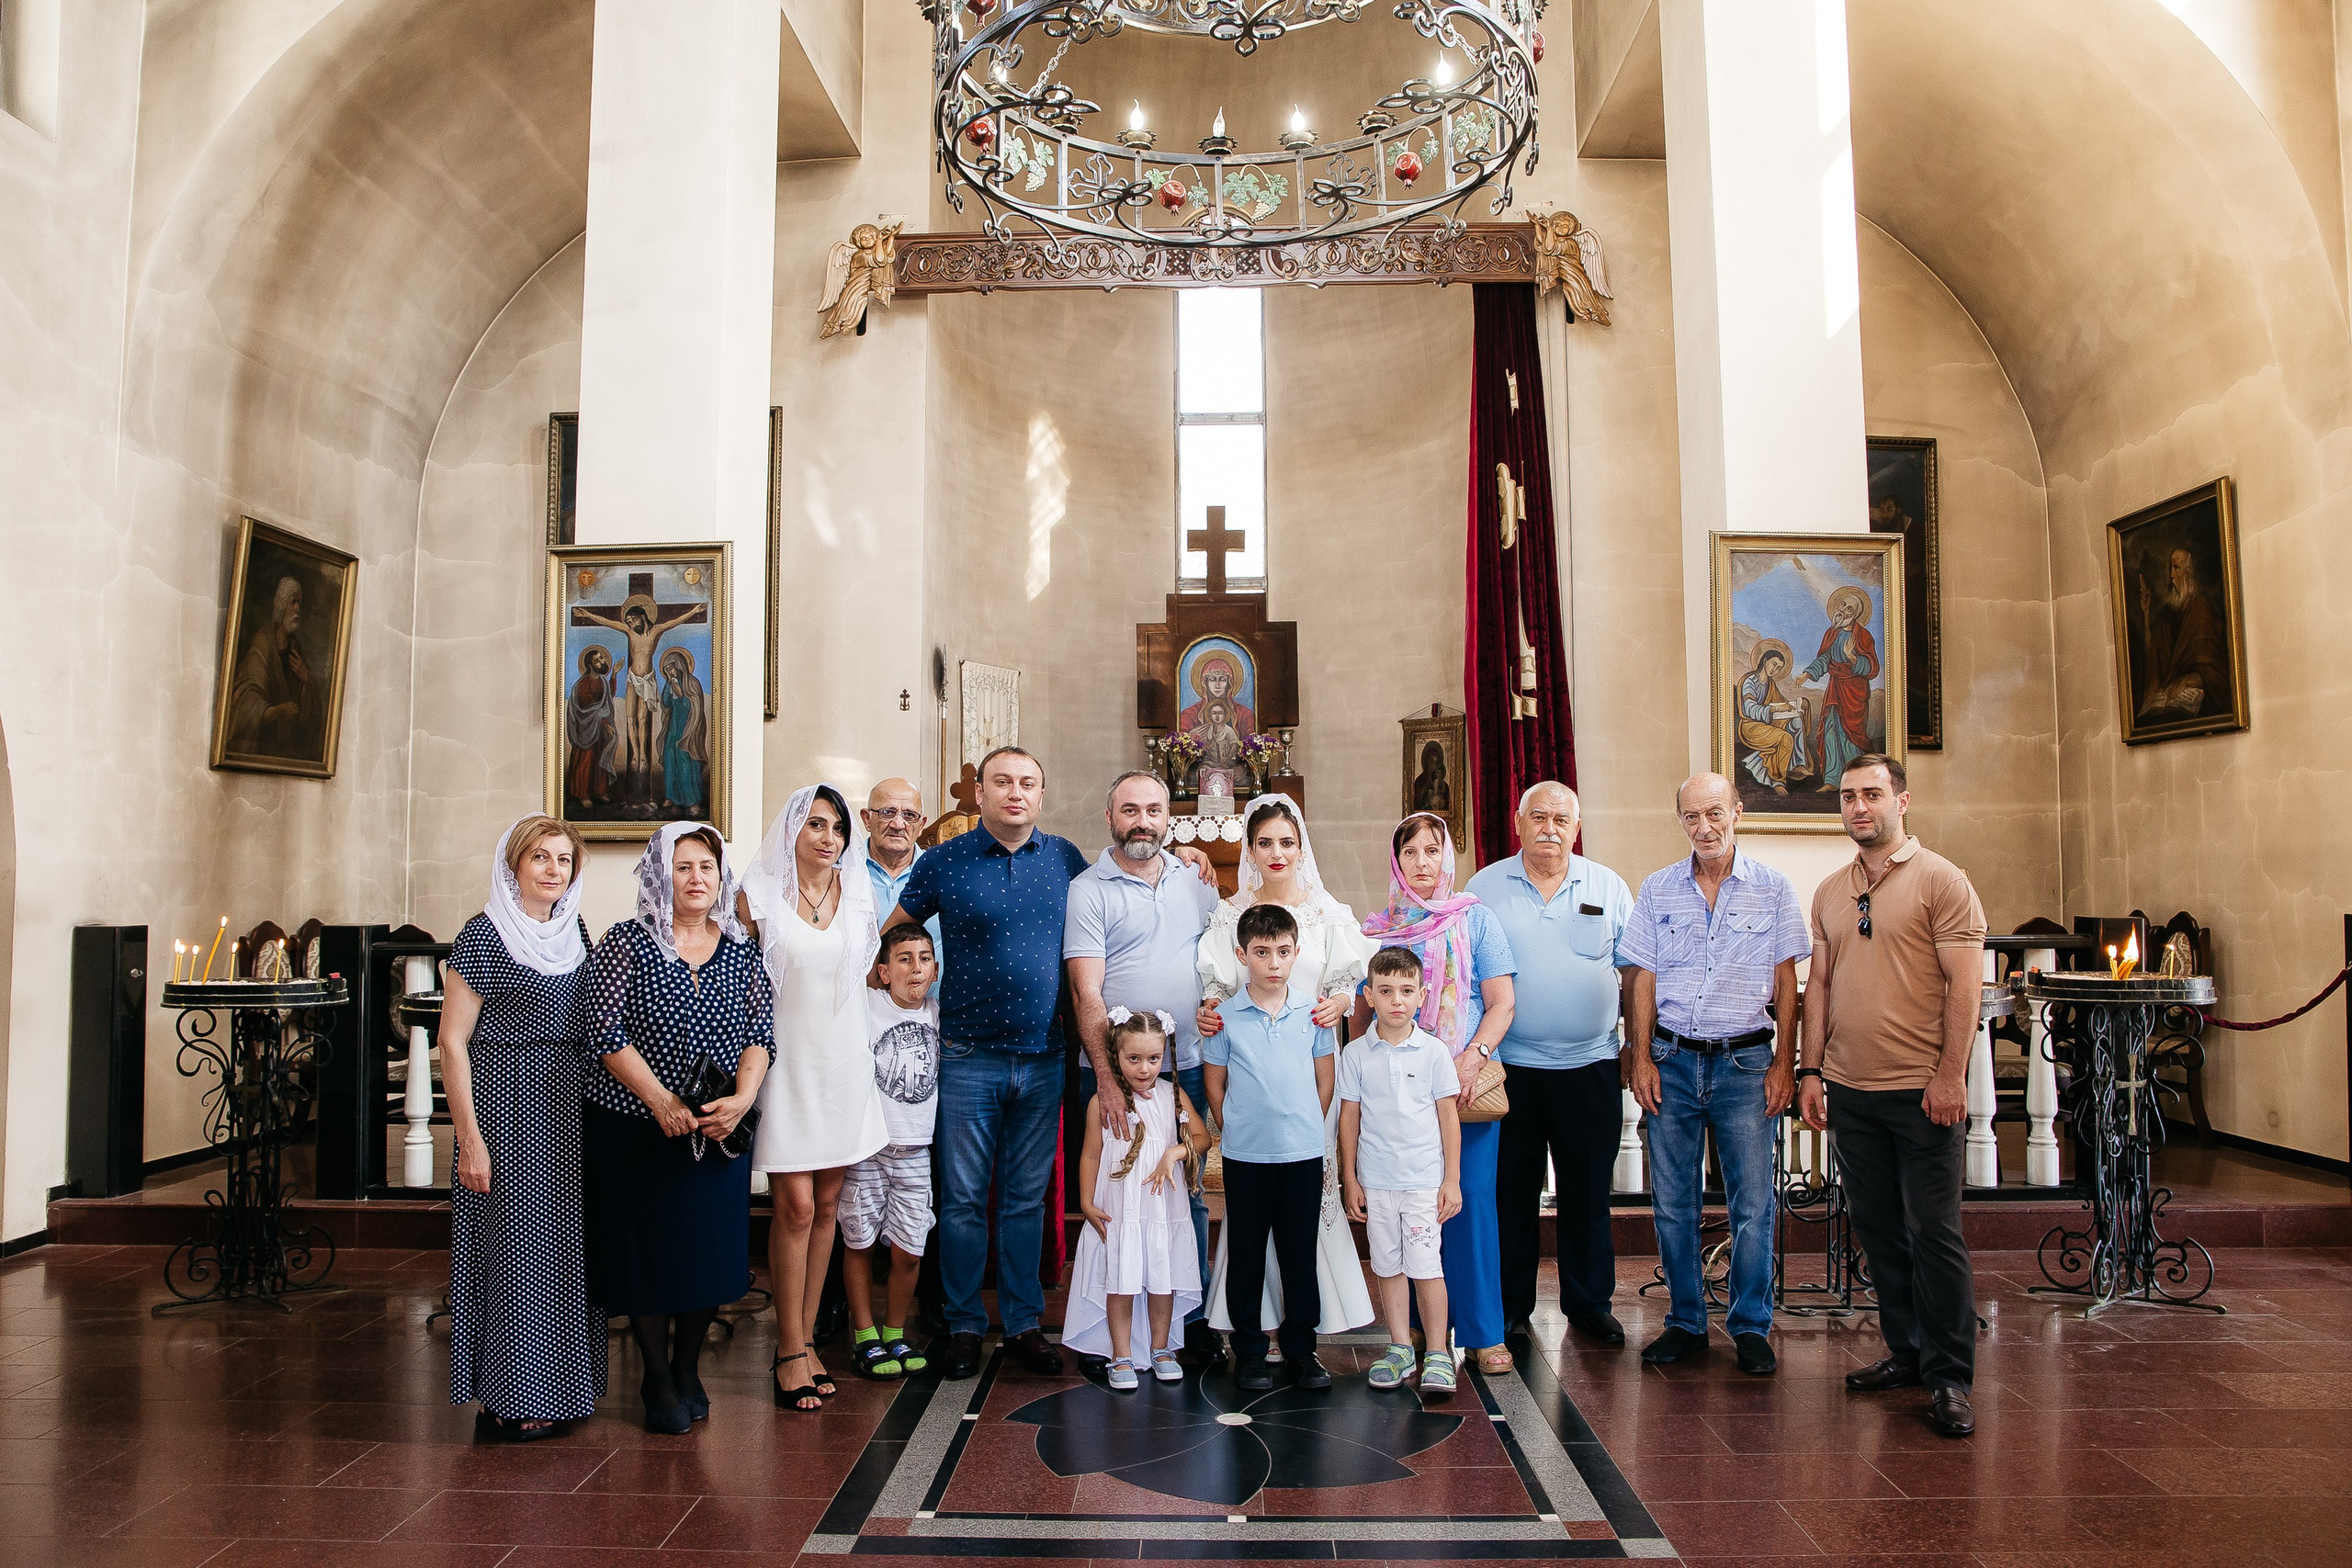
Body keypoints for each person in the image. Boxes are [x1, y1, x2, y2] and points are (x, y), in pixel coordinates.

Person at [878, 746, 1214, 1380]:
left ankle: (1025, 1323)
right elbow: (893, 935)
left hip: (1042, 1058)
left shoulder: (1064, 860)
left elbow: (1134, 870)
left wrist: (1188, 854)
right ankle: (963, 1324)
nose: (1014, 792)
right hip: (966, 1054)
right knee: (963, 1201)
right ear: (980, 792)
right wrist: (892, 987)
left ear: (1041, 794)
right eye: (1002, 781)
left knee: (1026, 1200)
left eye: (1027, 782)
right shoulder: (943, 861)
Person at [1797, 754, 1986, 1438]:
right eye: (1848, 796)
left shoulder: (1943, 880)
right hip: (1851, 1087)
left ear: (1902, 801)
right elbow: (1818, 986)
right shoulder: (1830, 890)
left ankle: (1949, 1377)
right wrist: (1811, 1071)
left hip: (1921, 1091)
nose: (1858, 807)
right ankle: (1906, 1352)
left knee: (1933, 1234)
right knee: (1878, 1232)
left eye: (1872, 794)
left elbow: (1966, 987)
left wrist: (1949, 1074)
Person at [582, 824, 771, 1432]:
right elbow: (605, 1032)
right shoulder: (626, 942)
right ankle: (655, 1377)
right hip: (636, 1126)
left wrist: (741, 1098)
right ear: (661, 875)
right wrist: (660, 1099)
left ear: (721, 877)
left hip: (717, 1128)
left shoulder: (741, 947)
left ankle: (688, 1365)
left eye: (706, 868)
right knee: (646, 1255)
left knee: (706, 1253)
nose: (696, 878)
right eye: (683, 867)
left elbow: (760, 1035)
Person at [1619, 774, 1809, 1375]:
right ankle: (1686, 1322)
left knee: (1753, 1202)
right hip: (1672, 1064)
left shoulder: (1774, 889)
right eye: (1692, 816)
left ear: (1738, 812)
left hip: (1745, 1063)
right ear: (1679, 820)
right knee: (1673, 1202)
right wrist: (1641, 1054)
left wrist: (1785, 1063)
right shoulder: (1656, 889)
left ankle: (1751, 1326)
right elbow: (1641, 978)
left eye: (1714, 813)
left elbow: (1787, 983)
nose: (1704, 826)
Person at [439, 814, 605, 1441]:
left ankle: (565, 1386)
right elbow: (452, 1043)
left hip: (568, 1106)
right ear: (515, 864)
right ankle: (512, 1393)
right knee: (515, 1251)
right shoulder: (482, 936)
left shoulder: (577, 930)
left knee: (565, 1249)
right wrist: (471, 1139)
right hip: (506, 1106)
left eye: (563, 860)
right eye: (540, 858)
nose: (553, 870)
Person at [1195, 795, 1378, 1357]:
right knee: (1251, 1228)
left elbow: (1352, 983)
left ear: (1303, 847)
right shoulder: (1230, 916)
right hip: (1252, 1090)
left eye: (1287, 842)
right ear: (1250, 849)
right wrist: (1210, 1004)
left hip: (1309, 1087)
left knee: (1303, 1224)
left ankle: (1305, 1332)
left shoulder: (1328, 915)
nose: (1277, 853)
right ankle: (1254, 1330)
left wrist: (1343, 1000)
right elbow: (1220, 993)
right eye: (1265, 843)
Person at [1464, 784, 1632, 1350]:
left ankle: (1589, 1305)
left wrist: (1635, 1045)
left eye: (1562, 818)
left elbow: (1634, 974)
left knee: (1587, 1193)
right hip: (1511, 1069)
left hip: (1591, 1066)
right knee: (1510, 1194)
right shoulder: (1483, 887)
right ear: (1518, 822)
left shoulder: (1606, 885)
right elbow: (1466, 978)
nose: (1550, 828)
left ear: (1576, 826)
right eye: (1539, 816)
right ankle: (1512, 1308)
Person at [1065, 771, 1223, 1364]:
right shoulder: (1089, 888)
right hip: (1114, 1072)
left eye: (1154, 810)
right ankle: (1107, 1333)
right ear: (1110, 817)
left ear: (1169, 818)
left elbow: (1220, 957)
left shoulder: (1194, 879)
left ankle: (1191, 1317)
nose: (1143, 821)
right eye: (1130, 809)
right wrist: (1107, 1078)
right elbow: (1087, 990)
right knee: (1114, 1196)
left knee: (1188, 1194)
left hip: (1183, 1067)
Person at [742, 784, 890, 1411]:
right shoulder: (758, 899)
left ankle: (805, 1343)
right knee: (795, 1205)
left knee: (827, 1203)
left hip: (844, 1063)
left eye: (836, 827)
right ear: (792, 832)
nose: (828, 837)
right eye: (815, 825)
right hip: (787, 1065)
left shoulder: (858, 898)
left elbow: (860, 982)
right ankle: (787, 1345)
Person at [1360, 812, 1516, 1375]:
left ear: (1447, 856)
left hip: (1464, 1090)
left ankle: (1483, 1333)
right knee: (1408, 1217)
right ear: (1396, 861)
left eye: (1433, 851)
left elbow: (1501, 1001)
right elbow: (1361, 1016)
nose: (1423, 864)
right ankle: (1425, 1342)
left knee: (1467, 1206)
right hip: (1396, 1101)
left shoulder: (1475, 920)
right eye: (1411, 853)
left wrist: (1471, 1060)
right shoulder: (1378, 930)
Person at [1203, 903, 1337, 1391]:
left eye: (1283, 952)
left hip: (1301, 1155)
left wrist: (1300, 1128)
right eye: (1262, 953)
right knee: (1246, 1254)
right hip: (1246, 1157)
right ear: (1243, 955)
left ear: (1296, 952)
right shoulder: (1225, 1019)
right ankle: (1251, 1350)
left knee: (1300, 1255)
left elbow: (1326, 1083)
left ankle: (1303, 1351)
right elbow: (1215, 1085)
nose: (1274, 963)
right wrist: (1237, 1128)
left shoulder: (1314, 1014)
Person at [1339, 946, 1463, 1399]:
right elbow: (1348, 1118)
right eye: (1386, 991)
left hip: (1423, 1182)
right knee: (1388, 1265)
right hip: (1377, 1181)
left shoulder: (1433, 1053)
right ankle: (1398, 1347)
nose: (1396, 1000)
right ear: (1368, 996)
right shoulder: (1355, 1054)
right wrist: (1350, 1178)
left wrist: (1450, 1180)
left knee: (1427, 1267)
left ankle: (1437, 1353)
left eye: (1407, 991)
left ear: (1422, 995)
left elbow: (1448, 1116)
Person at [1068, 1009, 1207, 1389]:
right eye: (1134, 1058)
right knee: (1121, 1278)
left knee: (1163, 1276)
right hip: (1121, 1207)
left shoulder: (1172, 1095)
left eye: (1153, 1058)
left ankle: (1162, 1348)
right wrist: (1085, 1201)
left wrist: (1174, 1153)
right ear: (1116, 1056)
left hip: (1162, 1205)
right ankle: (1121, 1354)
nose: (1145, 1068)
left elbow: (1202, 1138)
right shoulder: (1102, 1102)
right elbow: (1090, 1154)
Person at [841, 922, 941, 1380]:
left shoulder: (939, 1014)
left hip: (916, 1150)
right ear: (882, 971)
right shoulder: (866, 1005)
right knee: (859, 1242)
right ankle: (864, 1333)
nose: (915, 968)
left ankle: (895, 1330)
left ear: (935, 969)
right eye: (903, 959)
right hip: (867, 1147)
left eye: (923, 958)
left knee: (910, 1249)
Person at [226, 576, 321, 756]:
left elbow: (310, 714)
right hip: (262, 750)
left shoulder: (295, 648)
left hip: (287, 751)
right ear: (282, 605)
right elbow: (245, 702)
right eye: (293, 602)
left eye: (299, 602)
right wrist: (277, 711)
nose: (297, 609)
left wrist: (307, 678)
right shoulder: (262, 645)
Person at [1803, 585, 1879, 788]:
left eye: (1849, 609)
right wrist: (1807, 673)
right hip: (1835, 688)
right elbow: (1826, 657)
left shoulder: (1863, 636)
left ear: (1855, 615)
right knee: (1830, 730)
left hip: (1854, 691)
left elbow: (1872, 667)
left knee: (1850, 736)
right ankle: (1832, 779)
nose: (1843, 610)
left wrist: (1853, 657)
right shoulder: (1832, 633)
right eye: (1843, 605)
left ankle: (1856, 780)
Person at [1736, 645, 1811, 794]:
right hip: (1751, 726)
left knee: (1795, 721)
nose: (1775, 670)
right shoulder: (1750, 681)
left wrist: (1798, 703)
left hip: (1766, 723)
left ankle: (1797, 764)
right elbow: (1750, 709)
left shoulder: (1771, 684)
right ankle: (1778, 780)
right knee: (1785, 738)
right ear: (1765, 660)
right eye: (1774, 664)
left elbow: (1781, 703)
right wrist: (1776, 709)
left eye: (1779, 668)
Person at [565, 646, 618, 807]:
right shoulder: (583, 684)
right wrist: (604, 722)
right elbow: (589, 709)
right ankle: (583, 794)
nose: (601, 661)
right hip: (586, 730)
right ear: (589, 665)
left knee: (599, 761)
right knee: (586, 761)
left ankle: (599, 791)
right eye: (597, 659)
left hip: (599, 730)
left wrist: (614, 674)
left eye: (601, 658)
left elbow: (609, 696)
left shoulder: (602, 680)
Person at [659, 648, 708, 812]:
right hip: (673, 727)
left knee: (685, 761)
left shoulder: (692, 683)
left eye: (671, 668)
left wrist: (681, 695)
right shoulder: (670, 684)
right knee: (670, 759)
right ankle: (672, 796)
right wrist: (670, 688)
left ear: (680, 666)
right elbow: (666, 703)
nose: (670, 672)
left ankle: (691, 799)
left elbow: (694, 706)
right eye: (667, 670)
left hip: (688, 729)